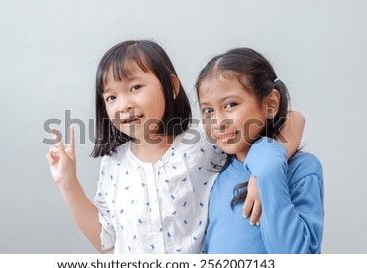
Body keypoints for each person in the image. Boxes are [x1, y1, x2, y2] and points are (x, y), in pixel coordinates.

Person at [47, 40, 305, 253]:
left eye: (135, 87)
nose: (123, 104)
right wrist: (67, 183)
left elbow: (293, 119)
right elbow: (106, 242)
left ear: (171, 87)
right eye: (111, 96)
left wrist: (264, 172)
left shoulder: (203, 143)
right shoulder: (113, 164)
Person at [196, 47, 324, 254]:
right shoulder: (214, 169)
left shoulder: (302, 169)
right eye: (208, 110)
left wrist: (266, 171)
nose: (218, 122)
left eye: (230, 104)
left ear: (270, 104)